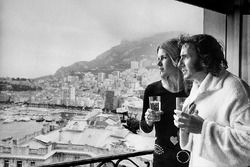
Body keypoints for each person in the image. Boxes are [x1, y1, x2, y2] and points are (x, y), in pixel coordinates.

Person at [174, 34, 250, 167]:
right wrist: (187, 128)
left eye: (185, 57)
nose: (179, 64)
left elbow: (247, 146)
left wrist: (203, 128)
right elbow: (197, 146)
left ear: (205, 59)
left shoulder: (235, 88)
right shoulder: (196, 89)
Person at [140, 38, 190, 167]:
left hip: (188, 159)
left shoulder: (192, 92)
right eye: (158, 58)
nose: (158, 64)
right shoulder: (152, 90)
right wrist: (149, 120)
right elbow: (145, 128)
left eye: (163, 58)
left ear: (176, 60)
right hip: (161, 160)